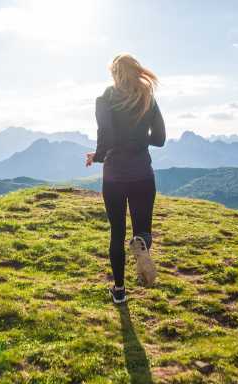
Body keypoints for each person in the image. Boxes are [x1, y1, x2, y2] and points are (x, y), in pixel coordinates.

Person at [85, 53, 166, 304]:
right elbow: (160, 139)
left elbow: (106, 137)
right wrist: (140, 139)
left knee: (116, 233)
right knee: (142, 230)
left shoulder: (104, 100)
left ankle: (119, 291)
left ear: (114, 74)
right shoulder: (148, 99)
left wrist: (96, 157)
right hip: (142, 174)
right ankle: (141, 242)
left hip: (114, 177)